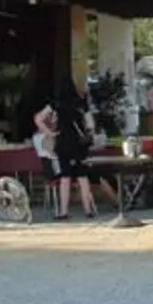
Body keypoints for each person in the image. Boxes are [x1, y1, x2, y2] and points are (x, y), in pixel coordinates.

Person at [33, 76, 98, 220]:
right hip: (79, 144)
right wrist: (88, 134)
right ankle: (88, 210)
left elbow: (38, 118)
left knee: (65, 177)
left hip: (62, 143)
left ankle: (63, 211)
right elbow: (90, 124)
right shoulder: (81, 103)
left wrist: (49, 132)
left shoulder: (56, 104)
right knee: (82, 176)